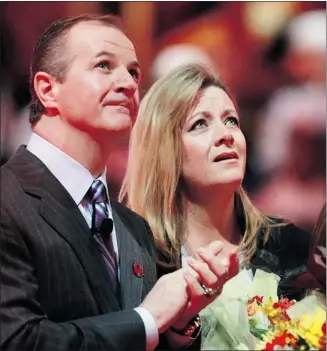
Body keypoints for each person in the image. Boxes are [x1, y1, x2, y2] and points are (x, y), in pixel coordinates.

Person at [0, 15, 237, 351]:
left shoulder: (133, 227)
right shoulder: (8, 199)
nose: (128, 82)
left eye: (134, 72)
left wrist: (179, 324)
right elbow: (16, 340)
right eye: (104, 65)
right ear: (47, 89)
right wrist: (147, 320)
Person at [119, 63, 311, 303]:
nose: (226, 135)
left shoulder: (293, 248)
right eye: (200, 124)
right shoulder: (136, 258)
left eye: (231, 120)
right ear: (164, 151)